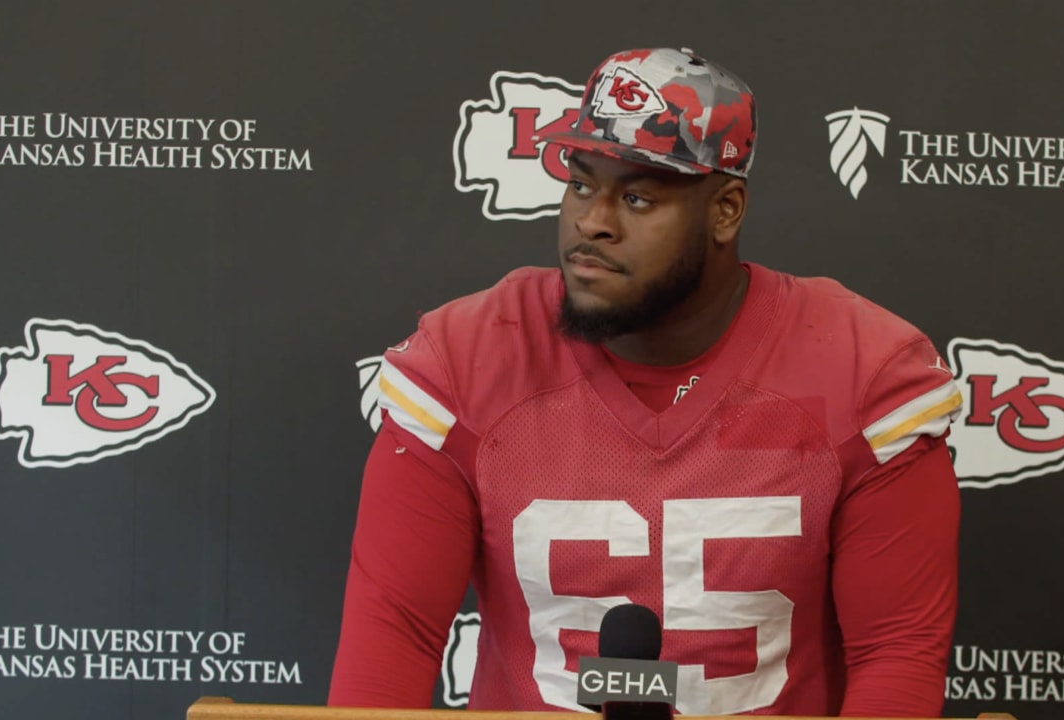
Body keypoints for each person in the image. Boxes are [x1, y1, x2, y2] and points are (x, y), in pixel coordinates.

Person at [329, 47, 962, 718]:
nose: (592, 222)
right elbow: (394, 633)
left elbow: (896, 651)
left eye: (636, 196)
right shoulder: (470, 359)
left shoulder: (860, 370)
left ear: (725, 211)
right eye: (580, 183)